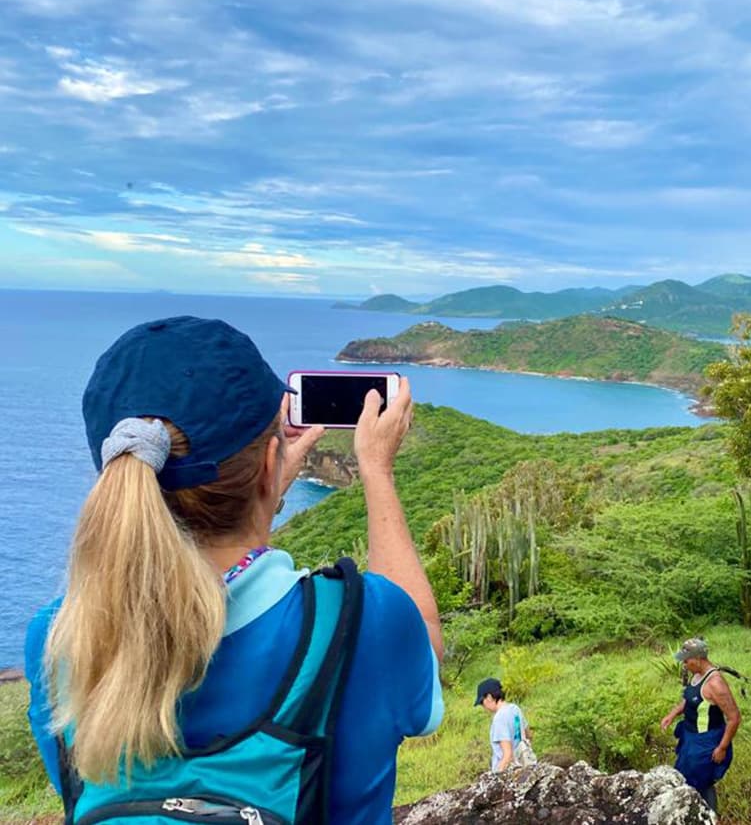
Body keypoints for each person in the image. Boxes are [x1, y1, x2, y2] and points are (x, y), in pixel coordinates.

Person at [24, 316, 443, 825]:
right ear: (271, 463)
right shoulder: (362, 623)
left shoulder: (58, 639)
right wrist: (375, 471)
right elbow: (423, 644)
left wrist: (261, 496)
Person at [659, 637, 741, 814]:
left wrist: (722, 747)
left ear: (698, 659)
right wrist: (672, 714)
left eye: (686, 660)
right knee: (684, 779)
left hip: (706, 742)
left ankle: (708, 817)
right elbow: (689, 699)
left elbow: (734, 718)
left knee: (700, 782)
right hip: (690, 738)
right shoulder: (697, 675)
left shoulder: (715, 684)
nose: (684, 664)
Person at [474, 677, 534, 772]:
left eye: (482, 702)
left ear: (489, 697)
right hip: (523, 766)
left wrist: (495, 777)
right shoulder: (515, 709)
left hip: (509, 772)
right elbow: (529, 735)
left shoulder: (499, 719)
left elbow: (507, 755)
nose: (483, 706)